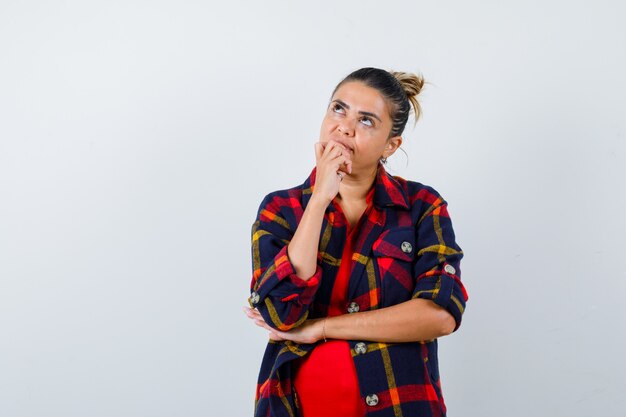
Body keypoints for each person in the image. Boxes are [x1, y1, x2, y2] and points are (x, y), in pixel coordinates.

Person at [243, 67, 468, 417]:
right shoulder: (281, 208)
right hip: (294, 405)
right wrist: (319, 199)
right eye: (338, 109)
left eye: (366, 121)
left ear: (391, 145)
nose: (345, 126)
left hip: (399, 405)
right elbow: (283, 314)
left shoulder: (422, 206)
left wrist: (320, 329)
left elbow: (440, 314)